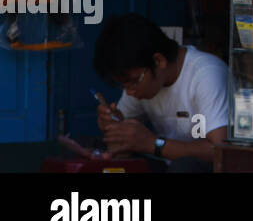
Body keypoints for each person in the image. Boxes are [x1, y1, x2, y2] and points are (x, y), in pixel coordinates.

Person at [93, 14, 230, 171]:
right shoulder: (140, 83)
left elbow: (221, 151)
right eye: (124, 85)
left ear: (159, 61)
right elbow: (123, 128)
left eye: (132, 82)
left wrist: (152, 144)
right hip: (166, 165)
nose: (129, 92)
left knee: (186, 167)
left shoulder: (206, 74)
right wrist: (112, 127)